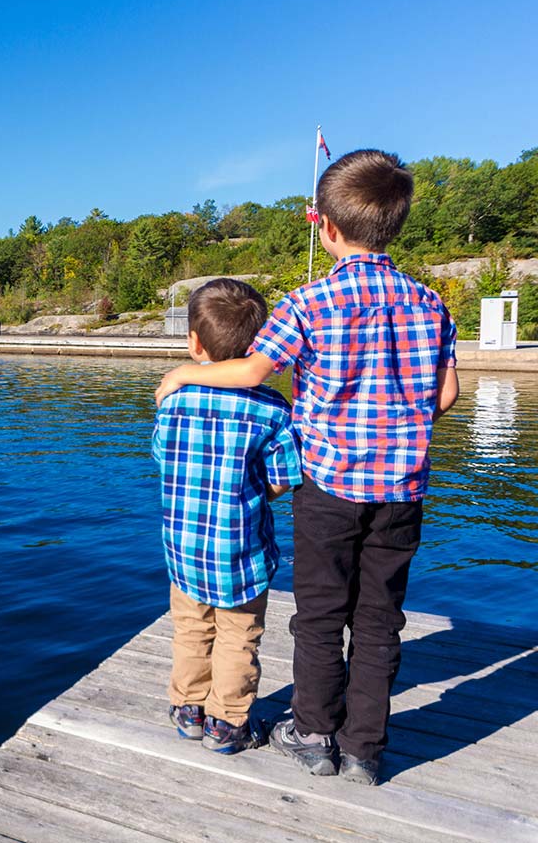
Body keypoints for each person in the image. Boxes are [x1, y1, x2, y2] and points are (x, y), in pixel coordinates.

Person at [155, 149, 460, 784]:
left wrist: (184, 373)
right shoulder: (431, 304)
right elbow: (446, 395)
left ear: (323, 225)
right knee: (380, 619)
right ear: (396, 223)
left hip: (328, 487)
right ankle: (363, 750)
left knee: (320, 615)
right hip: (401, 489)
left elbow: (252, 371)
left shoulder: (309, 302)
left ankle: (314, 733)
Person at [153, 278, 301, 755]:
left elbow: (161, 456)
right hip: (243, 552)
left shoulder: (174, 401)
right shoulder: (274, 411)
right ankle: (225, 723)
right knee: (239, 638)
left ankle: (188, 709)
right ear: (259, 345)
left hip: (185, 548)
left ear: (194, 343)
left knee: (192, 629)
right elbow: (283, 477)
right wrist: (251, 493)